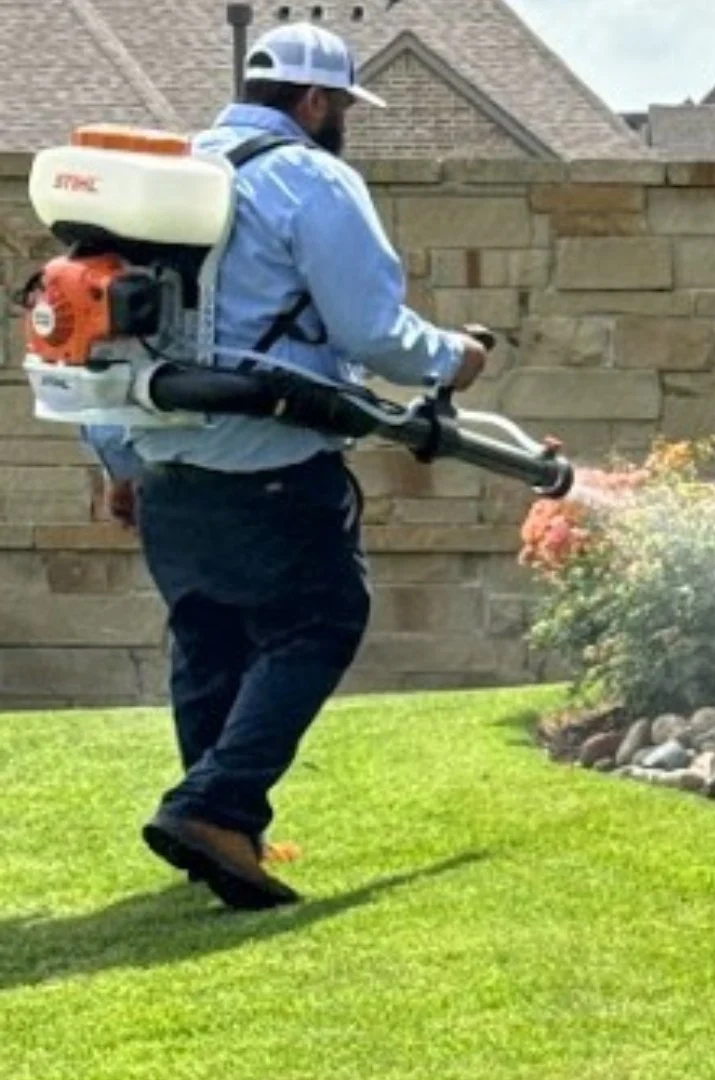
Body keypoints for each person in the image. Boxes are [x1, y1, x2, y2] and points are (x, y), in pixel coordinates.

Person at [80, 22, 489, 911]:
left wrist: (117, 461)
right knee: (320, 622)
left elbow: (94, 332)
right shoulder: (309, 178)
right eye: (340, 104)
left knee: (210, 642)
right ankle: (216, 807)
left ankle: (225, 838)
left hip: (163, 464)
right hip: (267, 456)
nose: (340, 120)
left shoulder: (165, 177)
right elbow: (370, 329)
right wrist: (452, 358)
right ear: (313, 101)